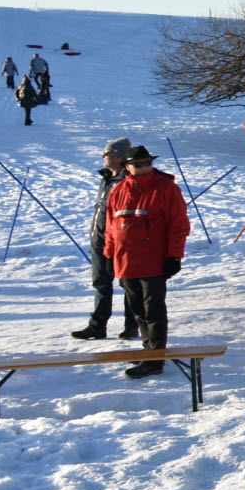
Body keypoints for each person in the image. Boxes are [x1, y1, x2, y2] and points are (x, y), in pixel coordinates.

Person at [105, 145, 189, 379]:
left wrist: (174, 255)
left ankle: (155, 358)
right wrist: (109, 255)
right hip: (125, 259)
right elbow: (111, 226)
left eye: (147, 163)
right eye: (138, 164)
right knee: (137, 309)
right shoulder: (119, 189)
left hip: (153, 259)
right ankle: (148, 350)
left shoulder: (166, 188)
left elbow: (179, 224)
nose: (144, 167)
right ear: (127, 166)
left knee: (153, 309)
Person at [70, 138, 139, 341]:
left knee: (128, 284)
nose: (103, 157)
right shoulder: (106, 178)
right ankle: (97, 326)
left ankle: (131, 325)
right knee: (101, 283)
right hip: (99, 239)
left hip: (120, 242)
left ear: (118, 157)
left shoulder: (127, 181)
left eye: (106, 154)